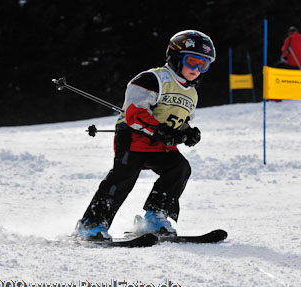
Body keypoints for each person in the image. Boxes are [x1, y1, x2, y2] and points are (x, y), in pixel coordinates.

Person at [75, 30, 216, 241]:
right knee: (123, 177)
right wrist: (159, 131)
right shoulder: (152, 79)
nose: (197, 69)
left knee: (179, 168)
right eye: (193, 61)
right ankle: (92, 224)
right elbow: (135, 113)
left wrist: (188, 133)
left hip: (161, 144)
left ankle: (155, 216)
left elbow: (180, 119)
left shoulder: (191, 93)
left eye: (203, 65)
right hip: (133, 138)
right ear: (176, 57)